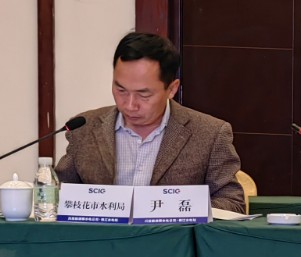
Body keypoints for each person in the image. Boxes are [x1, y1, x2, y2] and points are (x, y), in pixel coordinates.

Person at [55, 31, 246, 213]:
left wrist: (174, 210)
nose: (130, 105)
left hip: (173, 236)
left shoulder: (210, 134)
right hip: (102, 236)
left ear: (172, 89)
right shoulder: (84, 128)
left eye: (143, 94)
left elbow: (232, 202)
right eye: (121, 90)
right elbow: (57, 195)